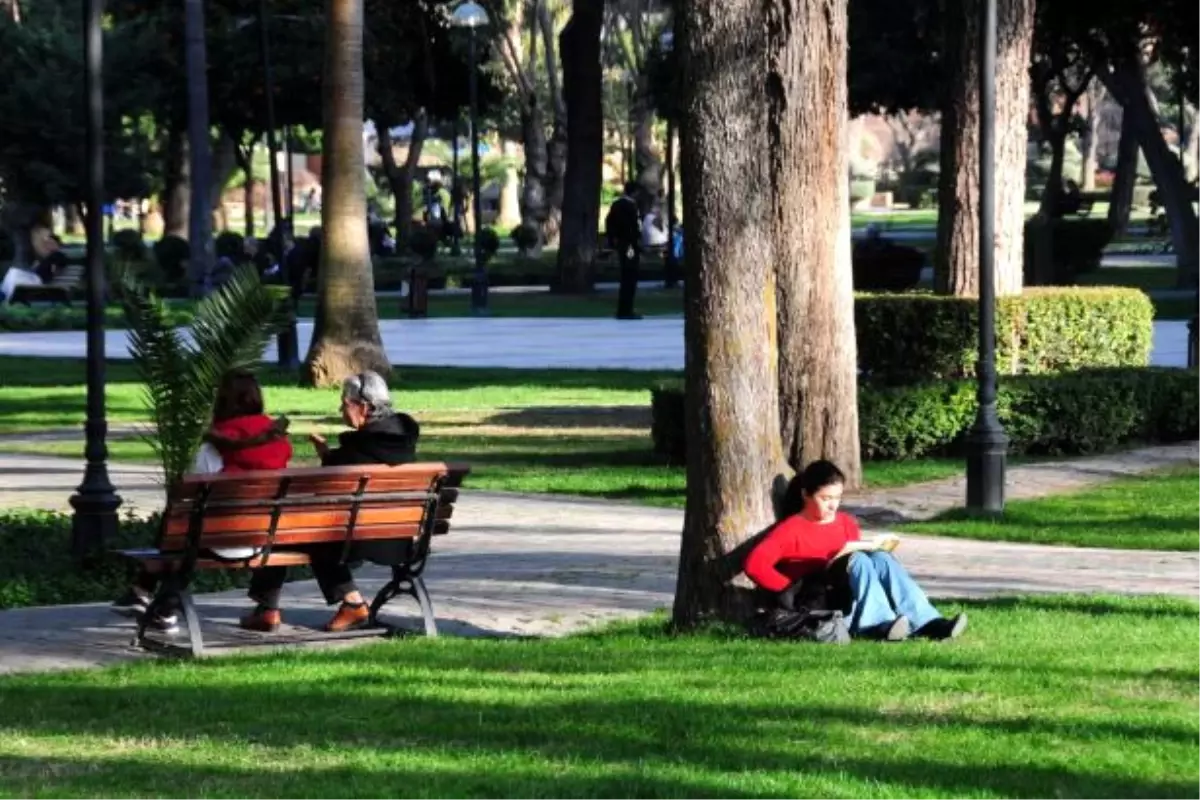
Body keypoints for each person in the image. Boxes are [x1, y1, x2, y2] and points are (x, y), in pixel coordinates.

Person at [240, 370, 422, 634]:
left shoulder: (356, 448)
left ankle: (272, 609)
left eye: (344, 403)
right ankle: (348, 604)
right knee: (315, 533)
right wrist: (329, 455)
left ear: (363, 406)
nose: (340, 408)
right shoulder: (403, 442)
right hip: (399, 538)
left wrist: (328, 458)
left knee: (288, 528)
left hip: (359, 539)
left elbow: (325, 485)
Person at [111, 371, 293, 633]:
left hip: (216, 540)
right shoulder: (279, 443)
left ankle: (155, 599)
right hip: (262, 539)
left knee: (181, 525)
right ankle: (151, 599)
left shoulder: (213, 448)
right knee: (183, 528)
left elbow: (195, 498)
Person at [744, 460, 967, 642]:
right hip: (818, 594)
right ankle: (875, 623)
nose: (833, 505)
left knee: (881, 557)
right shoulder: (790, 529)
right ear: (806, 495)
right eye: (825, 498)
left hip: (845, 589)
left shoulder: (846, 523)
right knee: (858, 560)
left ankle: (928, 621)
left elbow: (863, 573)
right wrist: (789, 591)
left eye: (837, 498)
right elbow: (755, 565)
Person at [605, 182, 643, 320]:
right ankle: (626, 309)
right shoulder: (629, 206)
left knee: (627, 276)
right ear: (634, 192)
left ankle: (625, 308)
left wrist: (613, 239)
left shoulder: (617, 205)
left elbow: (609, 222)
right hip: (629, 245)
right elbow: (632, 227)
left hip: (624, 243)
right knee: (629, 275)